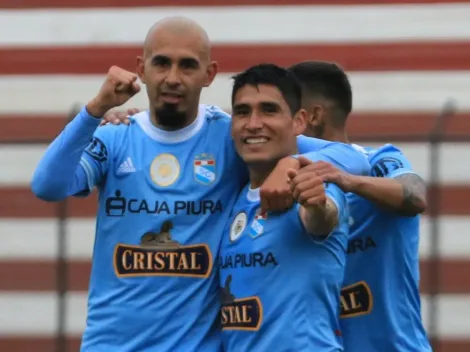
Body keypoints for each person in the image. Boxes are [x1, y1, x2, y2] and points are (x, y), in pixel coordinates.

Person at [30, 18, 367, 352]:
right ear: (141, 68)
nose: (173, 78)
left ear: (209, 74)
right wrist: (94, 110)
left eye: (188, 65)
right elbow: (47, 186)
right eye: (161, 63)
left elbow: (354, 158)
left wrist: (289, 163)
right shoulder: (116, 135)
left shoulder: (229, 134)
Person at [288, 61, 432, 351]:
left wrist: (346, 180)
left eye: (285, 112)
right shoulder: (288, 181)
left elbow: (415, 196)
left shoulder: (378, 162)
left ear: (312, 116)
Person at [219, 63, 363, 352]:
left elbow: (322, 217)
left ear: (299, 121)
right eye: (243, 112)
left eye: (269, 110)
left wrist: (317, 203)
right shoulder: (233, 198)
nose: (253, 123)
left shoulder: (312, 183)